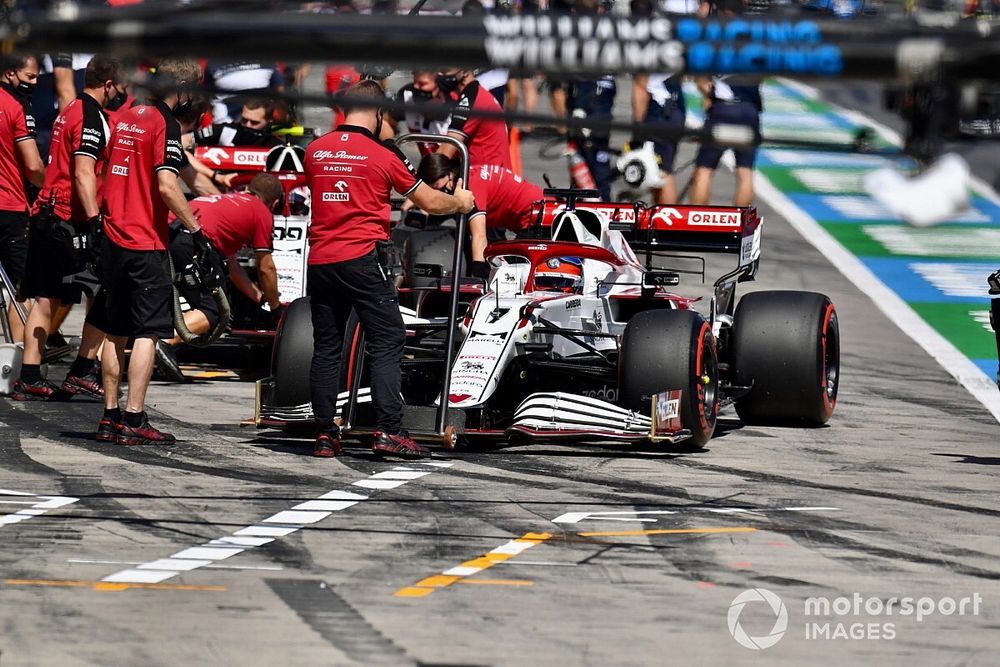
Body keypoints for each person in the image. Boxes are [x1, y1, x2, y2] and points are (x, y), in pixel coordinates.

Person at [305, 79, 475, 459]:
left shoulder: (314, 151)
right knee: (389, 336)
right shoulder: (382, 155)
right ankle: (389, 430)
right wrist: (460, 202)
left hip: (320, 260)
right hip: (361, 258)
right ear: (380, 112)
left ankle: (323, 433)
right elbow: (430, 202)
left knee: (328, 347)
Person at [96, 57, 207, 446]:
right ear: (183, 90)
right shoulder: (165, 122)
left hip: (112, 235)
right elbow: (166, 184)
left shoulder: (124, 116)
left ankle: (109, 417)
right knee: (147, 333)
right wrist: (196, 228)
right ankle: (134, 417)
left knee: (115, 330)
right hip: (144, 241)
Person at [14, 55, 128, 401]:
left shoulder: (70, 110)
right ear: (108, 84)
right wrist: (96, 223)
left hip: (50, 214)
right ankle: (80, 370)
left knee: (47, 295)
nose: (124, 94)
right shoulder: (90, 116)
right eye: (121, 87)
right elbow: (82, 172)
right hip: (67, 218)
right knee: (105, 288)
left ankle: (30, 374)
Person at [155, 174, 284, 382]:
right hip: (194, 243)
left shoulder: (227, 199)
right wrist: (275, 306)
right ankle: (164, 341)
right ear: (275, 202)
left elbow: (232, 266)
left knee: (156, 298)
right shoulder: (261, 212)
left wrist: (259, 297)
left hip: (167, 235)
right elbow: (266, 268)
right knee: (214, 309)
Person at [417, 153, 543, 274]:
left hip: (538, 217)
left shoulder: (470, 187)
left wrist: (478, 272)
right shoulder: (469, 173)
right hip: (536, 208)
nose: (438, 192)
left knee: (510, 274)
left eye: (436, 187)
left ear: (449, 175)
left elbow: (479, 236)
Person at [0, 52, 45, 342]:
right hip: (9, 205)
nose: (35, 82)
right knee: (22, 290)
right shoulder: (15, 105)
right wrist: (49, 185)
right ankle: (18, 368)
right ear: (10, 73)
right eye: (30, 76)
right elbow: (32, 166)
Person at [688, 74, 762, 207]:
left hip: (722, 109)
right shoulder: (755, 54)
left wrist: (710, 95)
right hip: (749, 111)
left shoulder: (717, 52)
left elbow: (701, 81)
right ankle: (740, 223)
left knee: (705, 169)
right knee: (745, 172)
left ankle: (697, 220)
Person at [435, 67, 512, 170]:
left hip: (487, 178)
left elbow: (445, 153)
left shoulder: (471, 98)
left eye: (445, 71)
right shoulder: (475, 92)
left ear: (465, 71)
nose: (439, 75)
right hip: (489, 174)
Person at [193, 98, 282, 148]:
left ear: (269, 121)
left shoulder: (276, 147)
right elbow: (186, 140)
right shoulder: (225, 131)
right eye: (244, 120)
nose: (248, 125)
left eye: (254, 123)